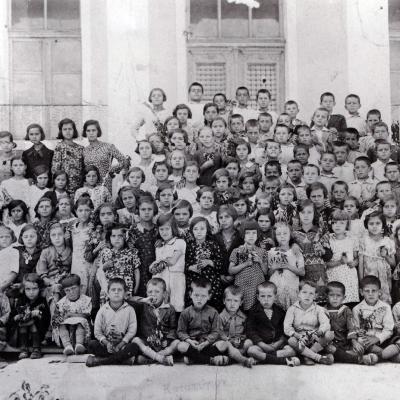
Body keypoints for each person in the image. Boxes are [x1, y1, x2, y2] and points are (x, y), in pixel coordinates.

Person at [86, 278, 139, 367]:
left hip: (122, 345)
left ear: (125, 293)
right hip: (107, 346)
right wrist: (107, 344)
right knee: (91, 344)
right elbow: (97, 332)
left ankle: (101, 361)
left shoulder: (130, 310)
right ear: (108, 293)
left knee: (134, 347)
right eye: (113, 290)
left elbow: (132, 331)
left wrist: (120, 345)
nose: (116, 292)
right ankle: (123, 360)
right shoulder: (103, 310)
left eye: (120, 290)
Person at [247, 282, 300, 366]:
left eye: (269, 296)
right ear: (258, 297)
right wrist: (262, 344)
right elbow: (251, 331)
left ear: (275, 297)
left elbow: (285, 330)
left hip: (277, 345)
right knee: (251, 350)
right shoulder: (253, 312)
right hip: (262, 345)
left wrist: (277, 343)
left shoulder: (280, 311)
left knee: (292, 351)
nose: (266, 299)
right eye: (262, 296)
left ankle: (261, 359)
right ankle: (284, 361)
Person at [177, 278, 228, 365]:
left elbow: (216, 331)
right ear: (190, 294)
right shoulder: (185, 313)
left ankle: (194, 359)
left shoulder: (213, 312)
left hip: (208, 344)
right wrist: (189, 341)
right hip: (192, 344)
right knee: (180, 346)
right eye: (196, 295)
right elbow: (181, 331)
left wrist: (206, 342)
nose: (199, 299)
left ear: (209, 296)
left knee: (223, 345)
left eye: (203, 296)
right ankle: (210, 360)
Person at [325, 281, 378, 365]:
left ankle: (344, 356)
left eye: (338, 295)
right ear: (327, 296)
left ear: (344, 297)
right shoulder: (323, 311)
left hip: (346, 343)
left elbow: (351, 327)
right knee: (330, 348)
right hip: (331, 344)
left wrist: (354, 342)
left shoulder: (346, 310)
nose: (335, 298)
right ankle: (358, 359)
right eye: (331, 295)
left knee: (361, 342)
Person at [284, 281, 335, 365]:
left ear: (315, 296)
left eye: (311, 293)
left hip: (315, 338)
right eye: (304, 292)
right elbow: (287, 327)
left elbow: (325, 324)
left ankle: (307, 355)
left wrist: (319, 332)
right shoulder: (292, 309)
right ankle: (317, 357)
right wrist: (298, 336)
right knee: (291, 341)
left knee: (329, 334)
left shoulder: (319, 309)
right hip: (300, 339)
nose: (307, 296)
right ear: (298, 294)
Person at [131, 278, 178, 365]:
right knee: (135, 340)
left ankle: (152, 358)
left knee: (177, 343)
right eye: (150, 292)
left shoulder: (170, 309)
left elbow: (173, 328)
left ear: (164, 294)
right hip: (148, 340)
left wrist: (168, 340)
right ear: (146, 293)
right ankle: (159, 358)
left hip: (164, 344)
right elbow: (130, 299)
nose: (153, 294)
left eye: (157, 292)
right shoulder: (144, 306)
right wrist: (144, 300)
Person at [149, 213, 186, 313]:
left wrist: (159, 263)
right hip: (162, 277)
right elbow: (156, 266)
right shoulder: (159, 245)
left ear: (173, 228)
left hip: (176, 279)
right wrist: (153, 267)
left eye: (167, 229)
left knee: (176, 305)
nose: (164, 232)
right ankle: (162, 327)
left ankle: (176, 327)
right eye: (161, 229)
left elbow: (172, 261)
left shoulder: (179, 242)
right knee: (161, 305)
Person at [352, 275, 394, 360]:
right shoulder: (357, 309)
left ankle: (379, 354)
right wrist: (362, 338)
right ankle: (384, 355)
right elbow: (356, 329)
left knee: (395, 340)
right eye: (367, 291)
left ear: (379, 292)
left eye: (374, 291)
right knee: (360, 341)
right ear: (361, 292)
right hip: (366, 340)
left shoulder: (386, 307)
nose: (370, 294)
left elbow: (389, 329)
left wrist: (378, 338)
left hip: (383, 339)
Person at [229, 220, 268, 311]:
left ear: (257, 235)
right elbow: (230, 270)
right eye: (248, 233)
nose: (251, 236)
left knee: (256, 311)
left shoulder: (262, 251)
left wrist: (260, 261)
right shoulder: (237, 251)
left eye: (254, 233)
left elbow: (266, 272)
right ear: (243, 235)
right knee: (241, 310)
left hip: (257, 286)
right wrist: (245, 264)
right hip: (241, 286)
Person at [9, 273, 50, 360]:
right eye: (28, 289)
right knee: (24, 322)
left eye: (34, 288)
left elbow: (47, 318)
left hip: (39, 334)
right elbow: (12, 317)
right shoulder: (21, 300)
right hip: (23, 335)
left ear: (40, 289)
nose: (31, 292)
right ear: (24, 289)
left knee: (32, 322)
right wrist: (17, 317)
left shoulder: (41, 301)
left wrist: (39, 313)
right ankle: (23, 349)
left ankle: (36, 349)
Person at [82, 120, 128, 194]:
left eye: (93, 130)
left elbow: (124, 160)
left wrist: (112, 170)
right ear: (85, 132)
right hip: (89, 186)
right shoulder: (84, 150)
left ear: (98, 131)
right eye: (88, 131)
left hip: (104, 184)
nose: (91, 133)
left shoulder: (108, 146)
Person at [214, 285, 255, 367]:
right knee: (222, 345)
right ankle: (243, 360)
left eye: (236, 301)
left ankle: (232, 358)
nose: (232, 304)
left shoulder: (243, 317)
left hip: (238, 343)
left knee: (249, 343)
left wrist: (240, 340)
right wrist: (228, 340)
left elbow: (245, 332)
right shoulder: (220, 317)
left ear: (241, 303)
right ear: (224, 301)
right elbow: (219, 332)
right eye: (229, 300)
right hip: (225, 342)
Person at [97, 223, 140, 301]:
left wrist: (136, 287)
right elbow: (99, 272)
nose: (117, 239)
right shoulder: (104, 252)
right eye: (113, 236)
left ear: (125, 237)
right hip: (108, 289)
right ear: (109, 238)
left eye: (120, 236)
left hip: (126, 288)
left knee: (125, 309)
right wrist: (104, 266)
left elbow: (136, 270)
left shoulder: (131, 252)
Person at [359, 211, 395, 304]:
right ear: (366, 225)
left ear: (383, 224)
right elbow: (361, 264)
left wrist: (385, 256)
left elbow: (393, 263)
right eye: (371, 223)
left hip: (384, 278)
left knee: (383, 302)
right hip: (368, 276)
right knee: (369, 301)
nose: (374, 226)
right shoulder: (363, 240)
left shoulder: (388, 241)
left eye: (378, 223)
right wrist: (361, 282)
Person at [52, 274, 92, 356]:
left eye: (74, 288)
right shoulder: (62, 303)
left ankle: (79, 345)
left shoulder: (86, 300)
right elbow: (55, 320)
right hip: (67, 329)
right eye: (67, 290)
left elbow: (87, 315)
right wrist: (62, 317)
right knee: (61, 324)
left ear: (80, 287)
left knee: (81, 322)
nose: (71, 292)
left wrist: (71, 315)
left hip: (81, 328)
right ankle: (67, 346)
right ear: (64, 291)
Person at [268, 223, 305, 310]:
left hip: (291, 289)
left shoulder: (296, 251)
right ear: (275, 237)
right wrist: (273, 268)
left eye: (285, 233)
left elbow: (302, 272)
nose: (282, 236)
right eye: (279, 234)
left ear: (290, 235)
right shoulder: (271, 252)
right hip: (277, 289)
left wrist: (288, 266)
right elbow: (268, 273)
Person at [326, 210, 360, 305]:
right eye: (334, 222)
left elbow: (357, 258)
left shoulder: (352, 238)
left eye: (342, 223)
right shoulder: (328, 239)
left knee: (349, 302)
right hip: (334, 274)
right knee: (335, 301)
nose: (337, 225)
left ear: (347, 225)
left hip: (349, 276)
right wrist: (340, 262)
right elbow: (325, 264)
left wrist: (354, 263)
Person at [51, 118, 84, 193]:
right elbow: (55, 168)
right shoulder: (59, 147)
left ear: (74, 130)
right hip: (64, 186)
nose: (68, 131)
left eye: (70, 129)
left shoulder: (80, 148)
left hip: (78, 186)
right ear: (61, 131)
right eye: (65, 129)